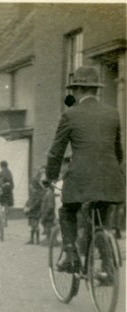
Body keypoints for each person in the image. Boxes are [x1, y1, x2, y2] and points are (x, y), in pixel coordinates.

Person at [45, 65, 125, 273]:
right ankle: (107, 269)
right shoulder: (113, 114)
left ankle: (71, 255)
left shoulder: (70, 115)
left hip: (81, 177)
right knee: (101, 223)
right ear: (96, 90)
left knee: (67, 210)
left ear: (77, 90)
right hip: (111, 178)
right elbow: (118, 152)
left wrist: (50, 177)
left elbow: (56, 152)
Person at [23, 168, 44, 245]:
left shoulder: (38, 194)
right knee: (31, 226)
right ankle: (32, 239)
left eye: (32, 186)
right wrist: (25, 206)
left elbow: (37, 203)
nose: (30, 187)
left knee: (35, 226)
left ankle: (36, 240)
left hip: (35, 211)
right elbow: (29, 201)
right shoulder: (33, 193)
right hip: (31, 212)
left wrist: (30, 208)